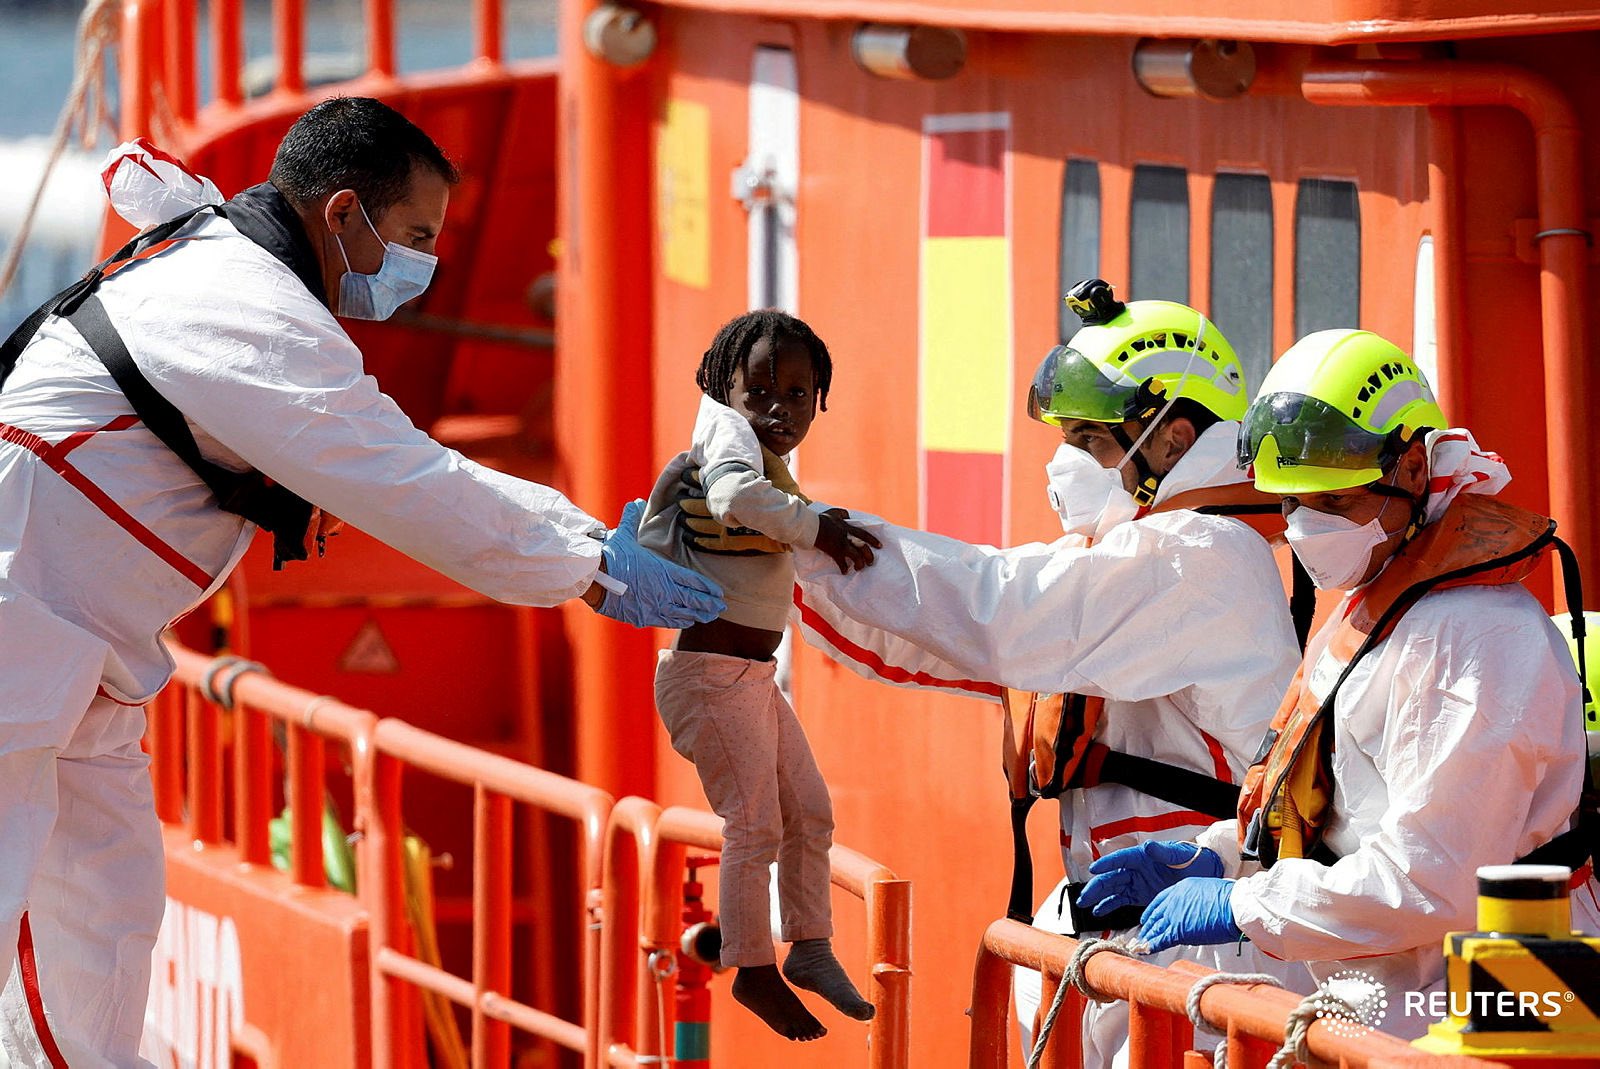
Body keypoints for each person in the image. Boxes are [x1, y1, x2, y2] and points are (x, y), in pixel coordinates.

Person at [0, 99, 722, 1067]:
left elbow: (391, 463)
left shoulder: (221, 273)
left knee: (108, 913)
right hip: (26, 631)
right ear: (343, 214)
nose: (424, 265)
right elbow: (404, 477)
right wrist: (588, 563)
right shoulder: (246, 305)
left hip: (72, 654)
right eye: (416, 237)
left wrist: (582, 537)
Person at [789, 280, 1303, 1062]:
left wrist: (801, 535)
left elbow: (998, 609)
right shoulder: (1135, 555)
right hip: (1133, 954)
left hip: (1203, 969)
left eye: (1091, 441)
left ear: (1172, 440)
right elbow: (938, 636)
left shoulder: (1200, 558)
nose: (1065, 464)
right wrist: (769, 570)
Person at [1079, 328, 1600, 1038]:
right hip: (1402, 995)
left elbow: (1429, 877)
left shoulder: (1476, 637)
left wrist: (1242, 903)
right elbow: (1348, 809)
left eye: (1333, 502)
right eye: (1291, 504)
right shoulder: (1386, 599)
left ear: (1413, 467)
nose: (1304, 527)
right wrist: (1225, 851)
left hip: (1489, 1007)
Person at [639, 310, 881, 1041]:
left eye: (799, 395)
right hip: (710, 675)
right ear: (726, 387)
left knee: (809, 810)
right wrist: (819, 529)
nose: (780, 410)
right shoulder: (727, 442)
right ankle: (752, 966)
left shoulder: (753, 452)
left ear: (820, 398)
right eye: (761, 391)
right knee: (754, 822)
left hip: (747, 677)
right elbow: (734, 499)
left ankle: (808, 944)